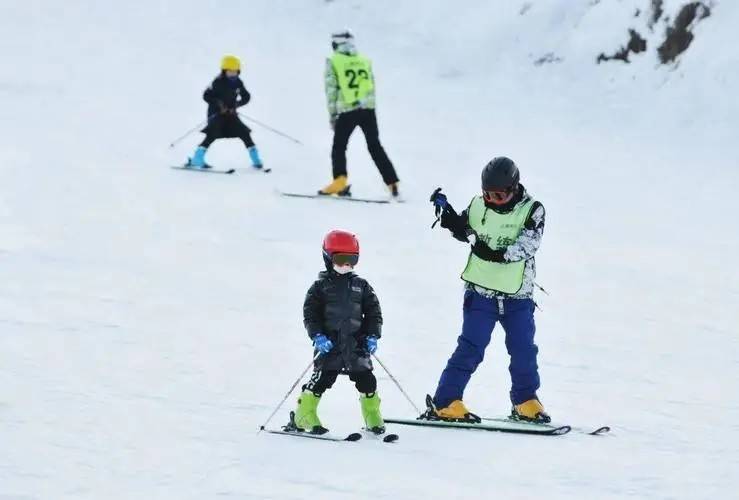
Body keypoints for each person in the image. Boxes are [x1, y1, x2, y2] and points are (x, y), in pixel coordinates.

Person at [425, 157, 550, 423]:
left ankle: (525, 400)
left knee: (523, 350)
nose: (492, 200)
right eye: (488, 194)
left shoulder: (532, 210)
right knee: (470, 348)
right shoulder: (478, 205)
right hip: (480, 294)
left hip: (517, 297)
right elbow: (466, 230)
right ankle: (445, 401)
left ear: (514, 188)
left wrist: (495, 254)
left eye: (499, 195)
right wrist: (449, 217)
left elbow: (527, 246)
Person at [288, 230, 386, 435]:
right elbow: (310, 316)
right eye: (341, 259)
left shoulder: (362, 286)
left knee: (367, 380)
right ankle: (304, 414)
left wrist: (372, 335)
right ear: (328, 258)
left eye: (352, 260)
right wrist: (317, 336)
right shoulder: (319, 287)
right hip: (330, 345)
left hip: (356, 345)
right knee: (322, 379)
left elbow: (374, 313)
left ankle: (372, 415)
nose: (346, 265)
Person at [319, 30, 400, 198]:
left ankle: (339, 181)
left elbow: (331, 90)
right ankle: (392, 182)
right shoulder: (364, 60)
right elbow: (371, 85)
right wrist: (369, 107)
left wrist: (333, 115)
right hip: (368, 109)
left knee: (339, 147)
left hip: (347, 109)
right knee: (375, 146)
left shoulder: (333, 61)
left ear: (336, 44)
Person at [186, 55, 264, 170]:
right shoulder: (217, 82)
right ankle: (197, 159)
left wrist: (237, 104)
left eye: (235, 71)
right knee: (212, 134)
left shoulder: (238, 83)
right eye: (229, 71)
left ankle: (256, 160)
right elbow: (206, 96)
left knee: (244, 132)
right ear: (224, 71)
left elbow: (246, 97)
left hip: (231, 115)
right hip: (216, 114)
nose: (232, 74)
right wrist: (219, 104)